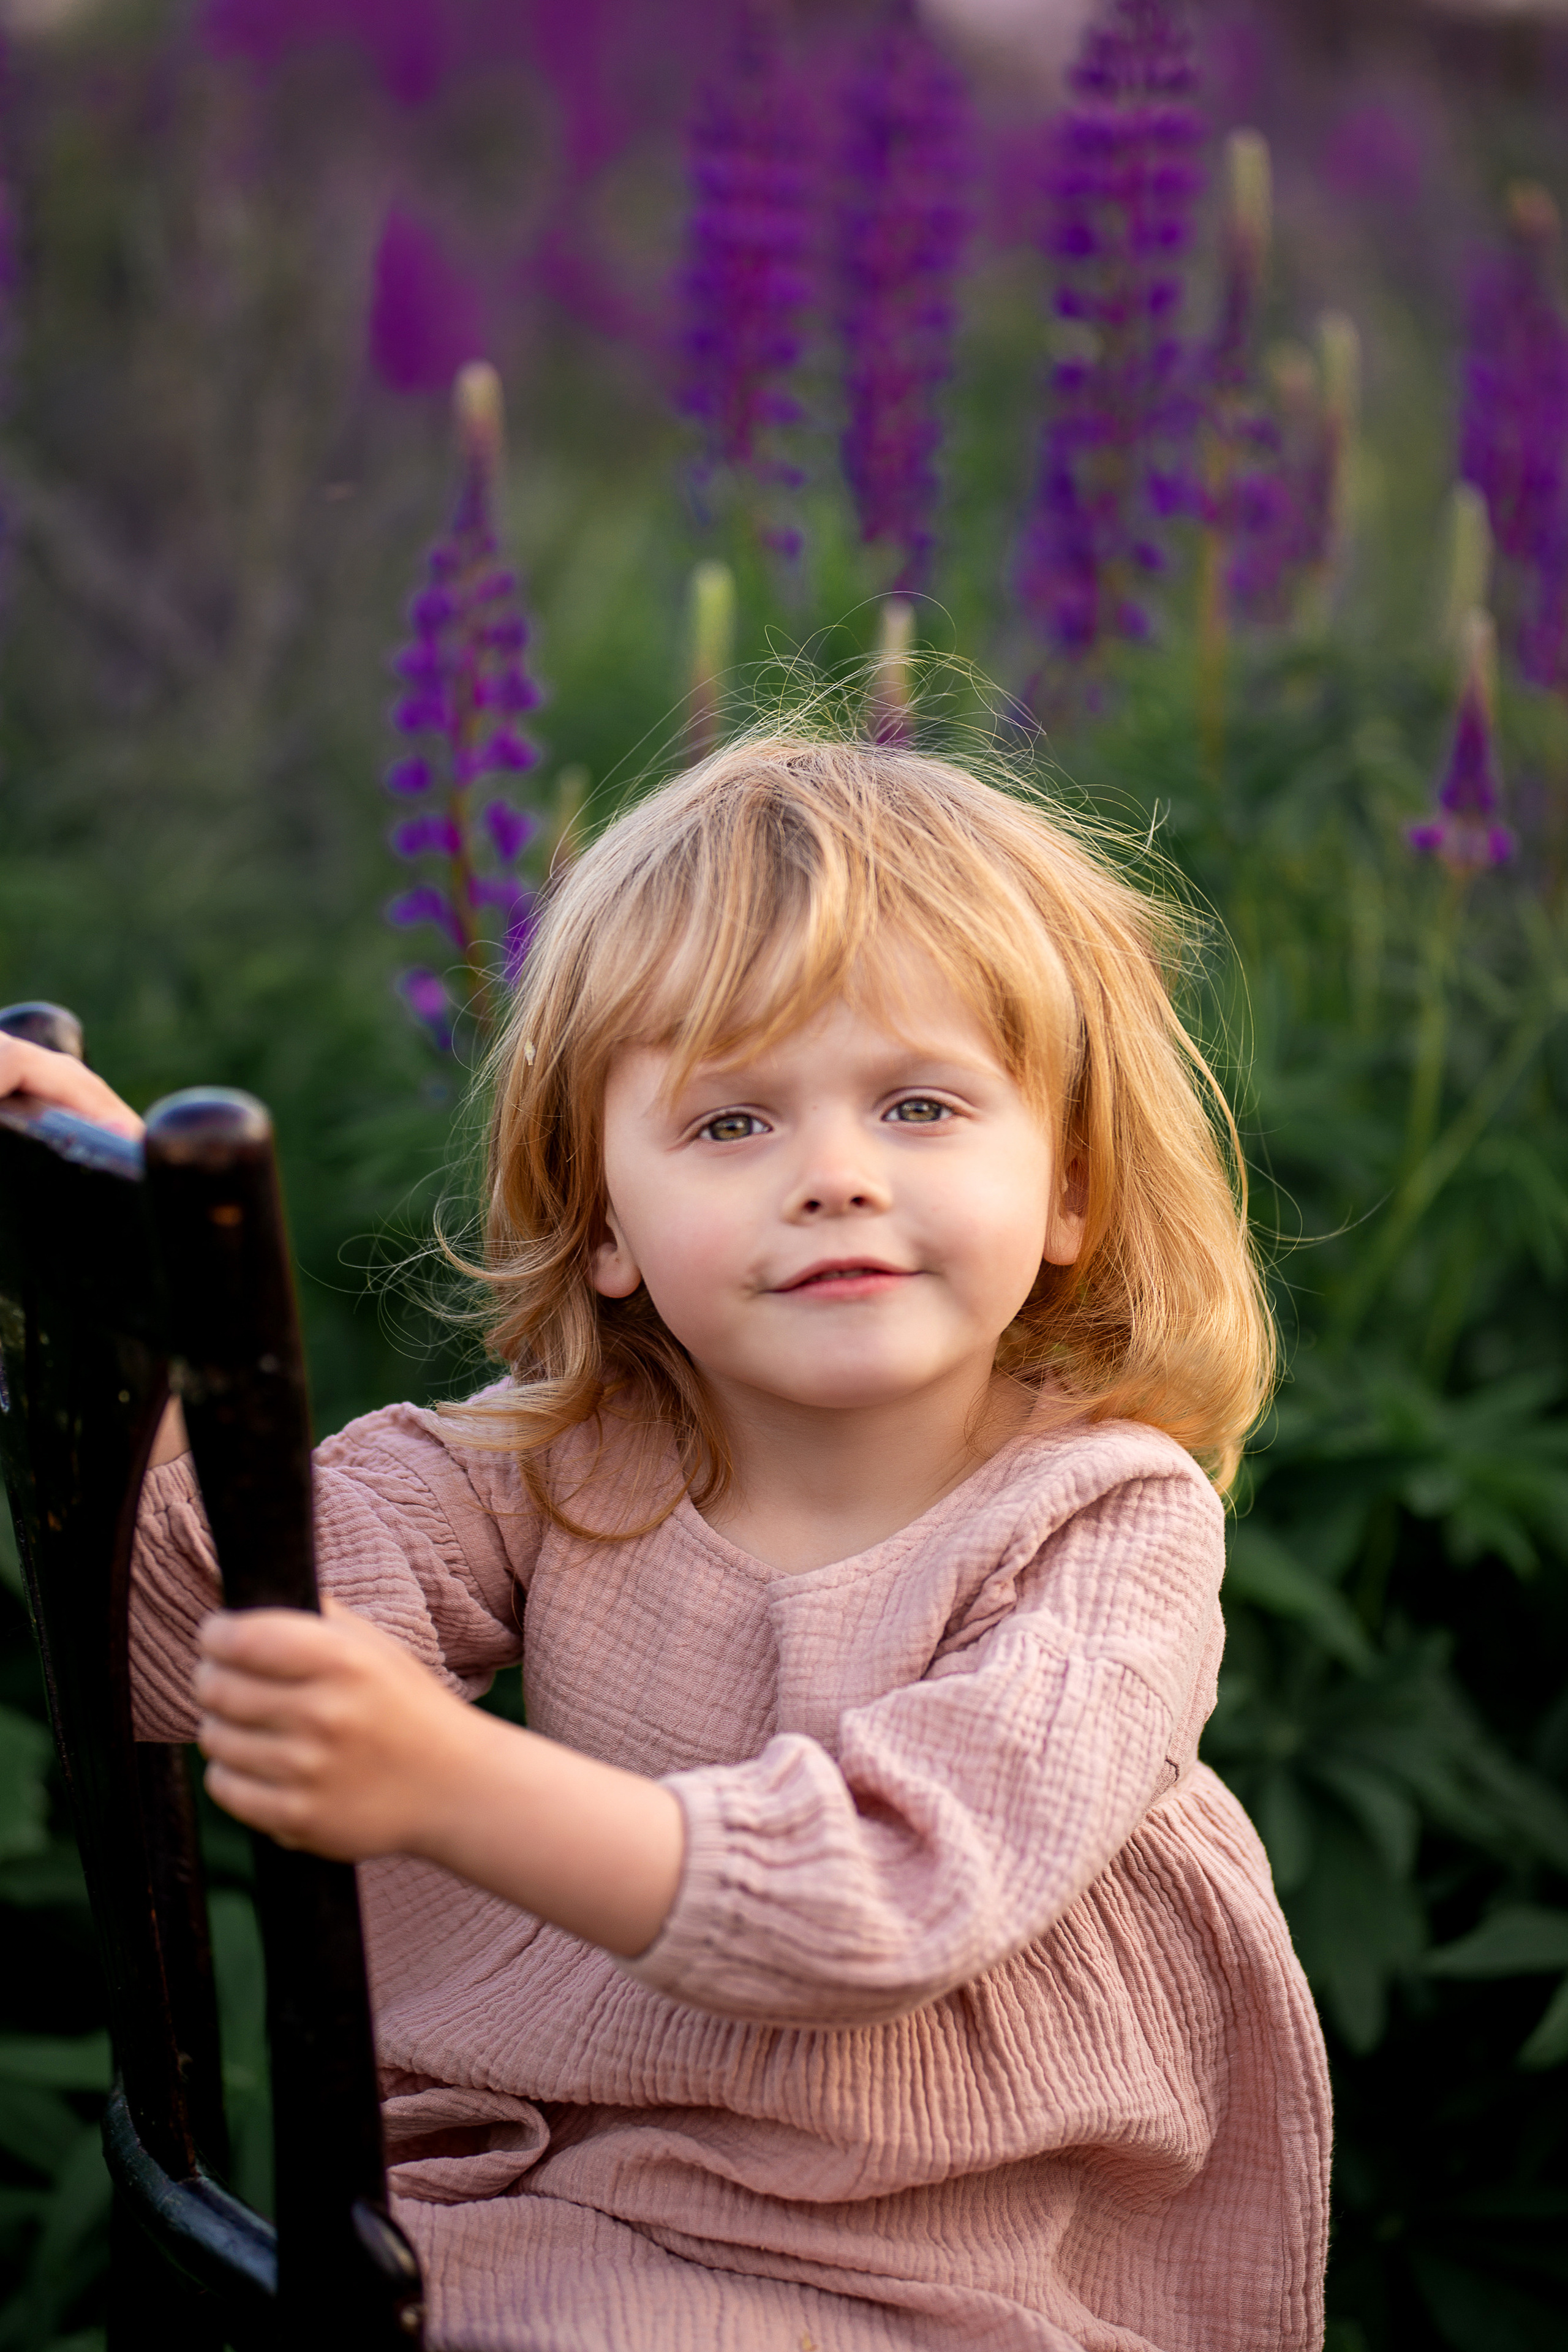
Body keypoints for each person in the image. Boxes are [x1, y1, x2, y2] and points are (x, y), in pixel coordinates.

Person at [2, 735, 1331, 2351]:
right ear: (606, 1223)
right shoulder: (575, 1455)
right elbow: (222, 1606)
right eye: (730, 1125)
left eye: (919, 1105)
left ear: (1069, 1184)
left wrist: (451, 1779)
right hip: (608, 2187)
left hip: (966, 2250)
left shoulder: (1109, 1530)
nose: (836, 1177)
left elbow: (892, 1898)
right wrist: (131, 1264)